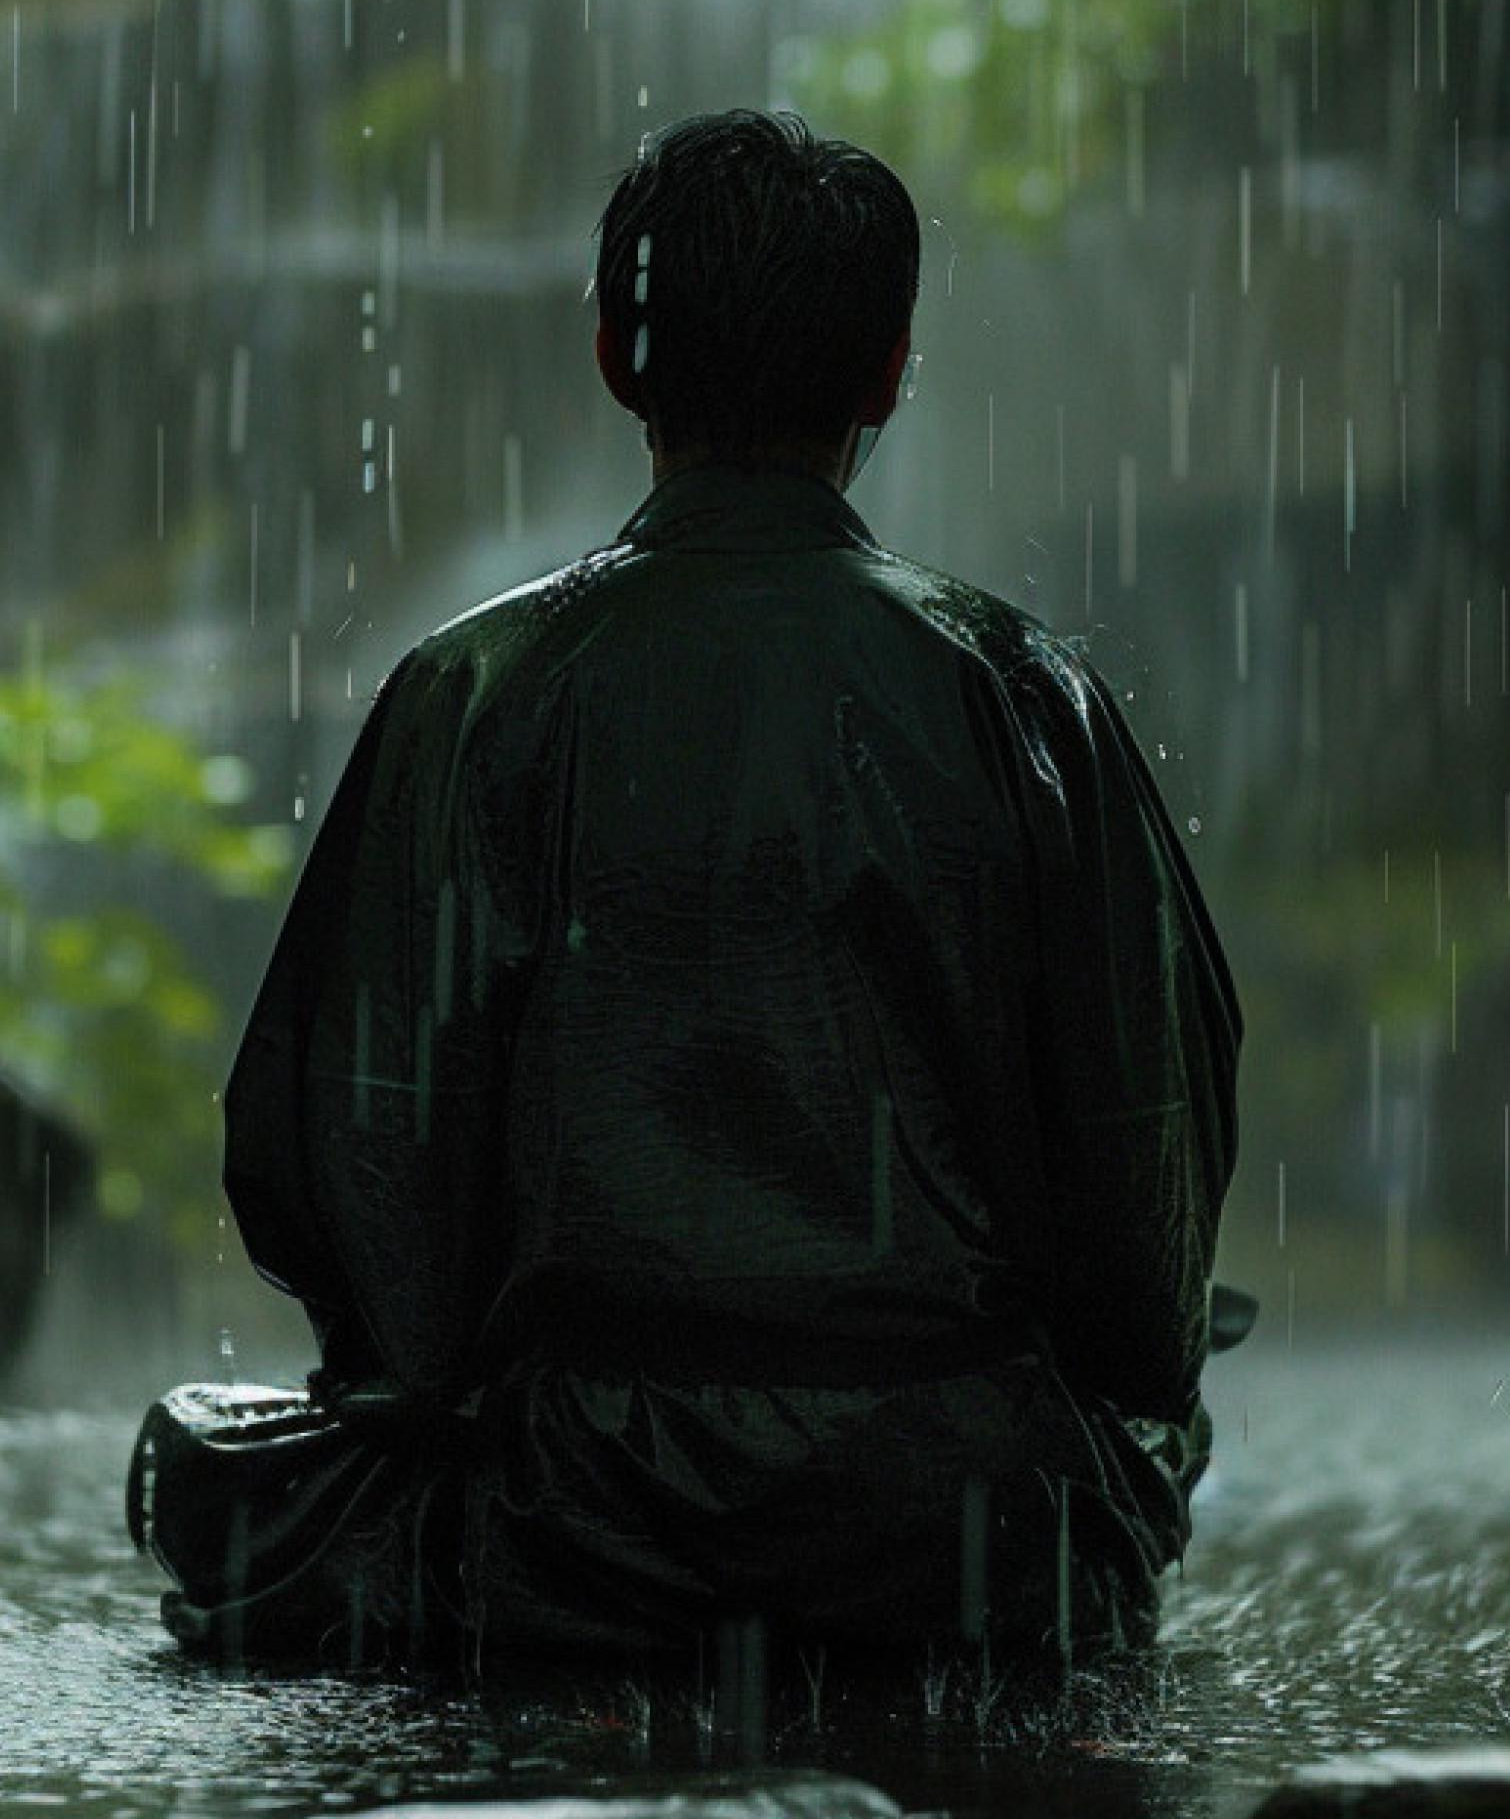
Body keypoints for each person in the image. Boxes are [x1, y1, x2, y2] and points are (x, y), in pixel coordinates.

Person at [127, 107, 1241, 1671]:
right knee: (1135, 1435)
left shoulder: (473, 694)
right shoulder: (1021, 694)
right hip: (963, 1537)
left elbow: (349, 1174)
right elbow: (1149, 1176)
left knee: (214, 1461)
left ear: (613, 357)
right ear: (889, 372)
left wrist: (486, 1390)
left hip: (577, 1538)